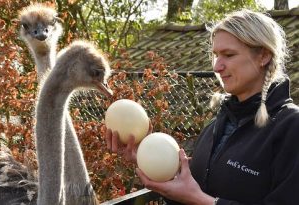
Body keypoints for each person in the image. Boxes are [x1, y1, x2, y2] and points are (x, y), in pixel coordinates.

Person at [106, 9, 299, 204]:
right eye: (216, 55)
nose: (216, 67)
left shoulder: (291, 127)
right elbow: (190, 194)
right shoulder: (215, 126)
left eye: (228, 55)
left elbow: (197, 198)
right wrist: (149, 158)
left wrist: (201, 200)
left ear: (263, 56)